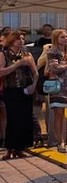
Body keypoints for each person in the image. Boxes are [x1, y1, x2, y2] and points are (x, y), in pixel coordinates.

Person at [0, 31, 37, 159]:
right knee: (12, 119)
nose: (21, 41)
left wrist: (33, 85)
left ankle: (21, 147)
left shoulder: (27, 55)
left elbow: (35, 73)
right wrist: (17, 65)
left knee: (25, 118)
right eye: (18, 39)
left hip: (25, 89)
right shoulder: (4, 54)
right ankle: (9, 148)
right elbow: (1, 72)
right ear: (11, 41)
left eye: (22, 38)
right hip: (11, 90)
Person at [43, 28, 67, 149]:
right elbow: (54, 68)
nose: (66, 39)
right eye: (62, 37)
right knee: (59, 114)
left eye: (66, 37)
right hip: (58, 86)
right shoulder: (52, 52)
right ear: (56, 39)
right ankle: (60, 141)